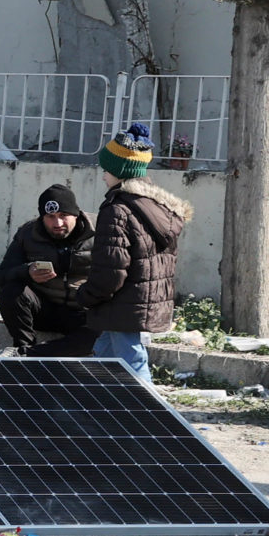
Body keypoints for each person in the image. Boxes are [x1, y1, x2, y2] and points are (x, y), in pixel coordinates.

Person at [73, 125, 190, 381]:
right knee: (105, 352)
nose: (103, 174)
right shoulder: (155, 207)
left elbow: (111, 269)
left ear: (119, 171)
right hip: (137, 302)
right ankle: (100, 407)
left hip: (122, 303)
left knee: (132, 364)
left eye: (107, 168)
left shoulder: (117, 210)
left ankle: (148, 415)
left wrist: (87, 295)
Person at [0, 183, 96, 354]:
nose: (58, 223)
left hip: (83, 312)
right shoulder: (28, 233)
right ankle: (23, 345)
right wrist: (27, 271)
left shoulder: (102, 231)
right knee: (11, 292)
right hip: (44, 308)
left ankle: (28, 353)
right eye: (50, 217)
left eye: (64, 215)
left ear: (76, 214)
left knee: (98, 335)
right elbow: (1, 276)